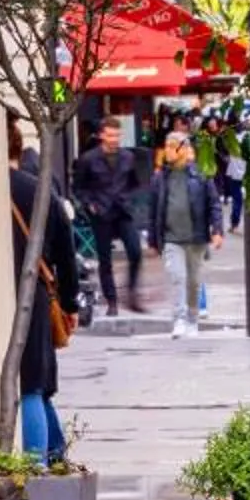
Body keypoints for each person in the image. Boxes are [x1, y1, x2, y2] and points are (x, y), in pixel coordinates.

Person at [8, 138, 79, 465]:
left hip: (0, 294)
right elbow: (67, 250)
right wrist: (70, 304)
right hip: (34, 295)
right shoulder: (38, 190)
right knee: (36, 384)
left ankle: (39, 468)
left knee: (31, 386)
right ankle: (51, 458)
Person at [148, 132, 221, 337]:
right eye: (166, 146)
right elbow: (154, 210)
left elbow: (214, 204)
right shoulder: (160, 177)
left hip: (196, 238)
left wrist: (217, 230)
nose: (167, 151)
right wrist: (153, 239)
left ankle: (192, 319)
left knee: (194, 281)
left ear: (182, 149)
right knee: (177, 277)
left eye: (172, 147)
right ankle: (179, 319)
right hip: (172, 239)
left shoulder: (200, 174)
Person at [74, 117, 146, 315]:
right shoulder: (88, 159)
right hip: (101, 212)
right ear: (102, 135)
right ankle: (111, 301)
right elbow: (79, 188)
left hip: (123, 211)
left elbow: (135, 183)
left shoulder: (128, 157)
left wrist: (131, 201)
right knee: (105, 260)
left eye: (116, 135)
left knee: (135, 252)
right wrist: (90, 205)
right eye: (110, 135)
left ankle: (131, 294)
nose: (114, 139)